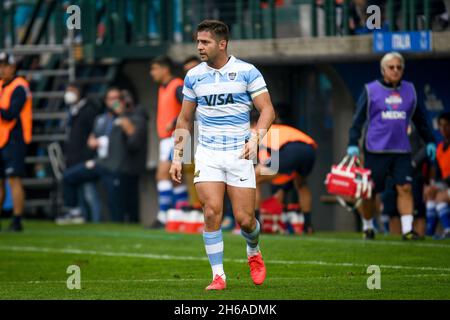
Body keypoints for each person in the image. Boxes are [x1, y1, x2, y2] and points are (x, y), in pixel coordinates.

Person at [169, 20, 275, 291]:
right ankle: (219, 276)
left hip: (239, 154)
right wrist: (178, 156)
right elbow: (184, 119)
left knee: (245, 220)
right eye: (198, 42)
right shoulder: (193, 76)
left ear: (222, 44)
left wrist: (256, 137)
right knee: (211, 212)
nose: (199, 47)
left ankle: (253, 250)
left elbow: (267, 111)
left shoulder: (247, 72)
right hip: (208, 154)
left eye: (205, 42)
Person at [347, 51, 436, 241]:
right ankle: (368, 226)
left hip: (401, 150)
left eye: (399, 67)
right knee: (370, 192)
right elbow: (358, 119)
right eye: (391, 67)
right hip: (375, 149)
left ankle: (407, 231)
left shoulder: (410, 91)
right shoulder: (371, 90)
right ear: (383, 70)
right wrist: (353, 143)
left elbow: (420, 120)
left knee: (405, 187)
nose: (395, 71)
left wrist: (429, 140)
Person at [61, 87, 148, 223]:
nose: (113, 102)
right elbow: (92, 138)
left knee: (117, 209)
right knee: (69, 176)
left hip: (117, 167)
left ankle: (117, 223)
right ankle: (74, 211)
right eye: (110, 99)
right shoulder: (101, 118)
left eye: (116, 99)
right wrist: (92, 142)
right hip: (100, 162)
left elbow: (134, 140)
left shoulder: (131, 117)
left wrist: (122, 115)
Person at [253, 115, 318, 235]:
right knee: (301, 184)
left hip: (291, 149)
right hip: (310, 150)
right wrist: (283, 188)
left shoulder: (259, 132)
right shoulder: (280, 128)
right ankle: (308, 226)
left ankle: (256, 224)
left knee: (253, 178)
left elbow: (266, 163)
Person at [150, 55, 188, 227]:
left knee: (162, 174)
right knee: (174, 178)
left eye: (155, 69)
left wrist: (174, 122)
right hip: (166, 139)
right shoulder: (162, 88)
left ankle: (163, 215)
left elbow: (189, 107)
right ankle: (180, 214)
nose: (152, 73)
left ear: (165, 69)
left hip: (176, 136)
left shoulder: (177, 85)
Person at [55, 83, 101, 224]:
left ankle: (95, 221)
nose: (69, 93)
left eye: (72, 90)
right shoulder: (72, 110)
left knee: (89, 192)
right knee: (81, 192)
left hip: (85, 158)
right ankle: (83, 218)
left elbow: (93, 135)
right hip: (74, 157)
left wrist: (89, 156)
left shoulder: (88, 111)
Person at [0, 52, 32, 232]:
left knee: (14, 179)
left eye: (5, 65)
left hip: (14, 138)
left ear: (13, 67)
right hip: (1, 138)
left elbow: (11, 113)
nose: (2, 69)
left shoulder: (20, 87)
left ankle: (17, 219)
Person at [424, 112, 450, 239]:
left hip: (447, 185)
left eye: (447, 125)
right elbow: (437, 171)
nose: (443, 129)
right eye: (441, 126)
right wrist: (433, 184)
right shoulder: (440, 147)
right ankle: (429, 232)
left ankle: (448, 229)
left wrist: (439, 186)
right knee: (430, 193)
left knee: (439, 196)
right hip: (446, 185)